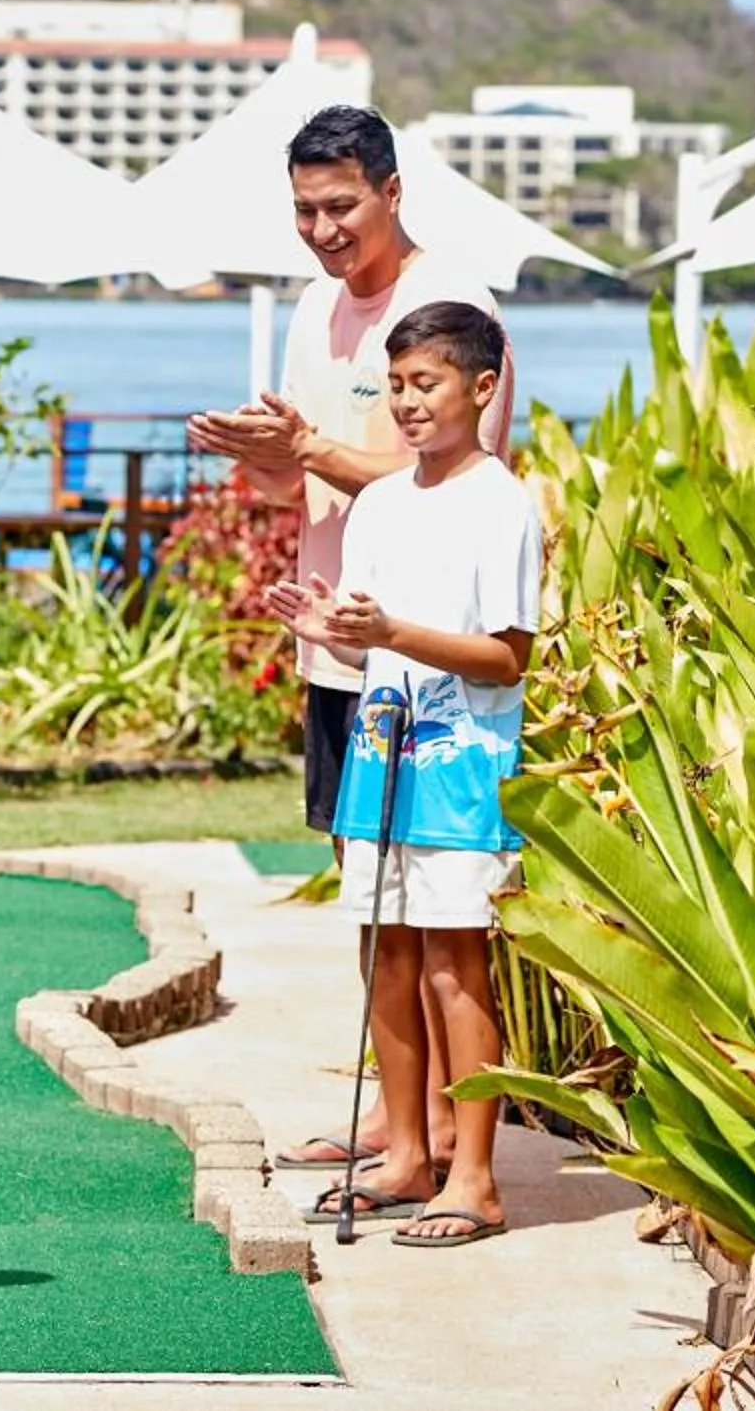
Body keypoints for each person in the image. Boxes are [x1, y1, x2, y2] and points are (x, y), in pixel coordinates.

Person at [186, 104, 510, 1176]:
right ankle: (396, 1122)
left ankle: (459, 1141)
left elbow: (449, 475)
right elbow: (303, 473)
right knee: (368, 894)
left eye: (340, 206)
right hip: (340, 648)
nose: (321, 229)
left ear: (391, 191)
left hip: (434, 665)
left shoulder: (450, 309)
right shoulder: (315, 312)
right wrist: (260, 453)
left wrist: (315, 443)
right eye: (303, 210)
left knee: (441, 915)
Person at [264, 301, 538, 1249]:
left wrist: (389, 634)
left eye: (426, 385)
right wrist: (333, 629)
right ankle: (406, 1155)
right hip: (382, 755)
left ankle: (475, 1177)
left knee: (457, 969)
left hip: (464, 765)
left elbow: (507, 658)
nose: (408, 404)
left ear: (483, 388)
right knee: (387, 955)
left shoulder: (501, 501)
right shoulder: (379, 505)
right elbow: (373, 632)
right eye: (396, 388)